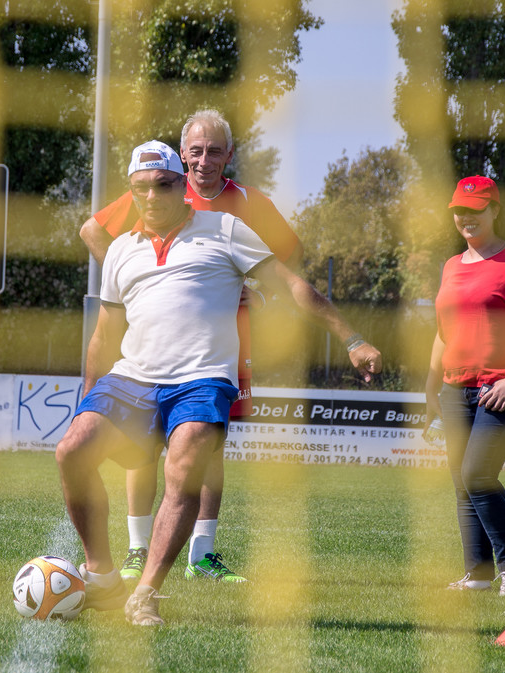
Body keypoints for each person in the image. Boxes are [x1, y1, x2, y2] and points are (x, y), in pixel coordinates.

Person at [58, 140, 381, 626]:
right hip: (133, 377)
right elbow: (104, 334)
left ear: (181, 185)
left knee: (184, 468)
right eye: (141, 188)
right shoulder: (121, 249)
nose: (152, 196)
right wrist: (87, 399)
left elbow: (293, 286)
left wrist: (352, 338)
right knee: (71, 451)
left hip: (202, 379)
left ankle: (145, 592)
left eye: (163, 185)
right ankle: (102, 575)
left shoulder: (226, 229)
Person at [80, 109, 303, 584]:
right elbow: (92, 230)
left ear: (230, 154)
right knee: (141, 442)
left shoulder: (248, 202)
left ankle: (202, 553)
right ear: (183, 156)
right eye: (196, 151)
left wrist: (258, 290)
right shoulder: (158, 188)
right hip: (151, 341)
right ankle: (138, 547)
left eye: (214, 151)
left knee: (207, 444)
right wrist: (139, 281)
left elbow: (290, 256)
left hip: (221, 342)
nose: (204, 161)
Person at [424, 175, 505, 596]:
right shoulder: (451, 265)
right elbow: (443, 333)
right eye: (459, 211)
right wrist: (431, 389)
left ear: (495, 210)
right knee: (462, 480)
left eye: (475, 209)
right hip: (454, 389)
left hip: (500, 388)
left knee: (477, 474)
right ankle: (479, 574)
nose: (466, 217)